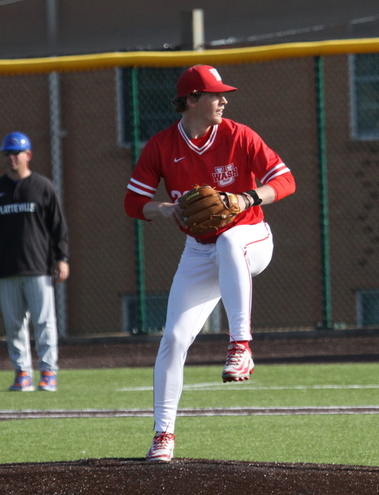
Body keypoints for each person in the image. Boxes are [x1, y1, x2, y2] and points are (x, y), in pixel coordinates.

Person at [124, 65, 296, 463]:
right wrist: (164, 209)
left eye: (223, 94)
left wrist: (247, 198)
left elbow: (286, 181)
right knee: (174, 340)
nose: (223, 100)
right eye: (214, 94)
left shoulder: (239, 135)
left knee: (231, 237)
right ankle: (163, 435)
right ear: (190, 100)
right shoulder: (162, 146)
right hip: (199, 251)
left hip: (252, 239)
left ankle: (241, 346)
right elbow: (133, 203)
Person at [0, 131, 70, 391]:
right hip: (7, 269)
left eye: (16, 152)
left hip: (39, 268)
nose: (11, 158)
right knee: (14, 325)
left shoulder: (42, 187)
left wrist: (62, 258)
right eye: (7, 153)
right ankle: (22, 373)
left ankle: (48, 372)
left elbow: (58, 227)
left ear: (28, 155)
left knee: (44, 322)